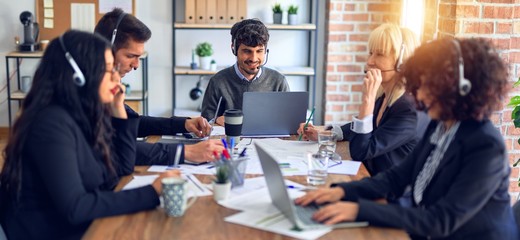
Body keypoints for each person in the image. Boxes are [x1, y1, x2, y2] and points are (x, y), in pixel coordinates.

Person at [295, 38, 518, 239]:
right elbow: (397, 177)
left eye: (427, 86)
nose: (419, 95)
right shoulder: (440, 125)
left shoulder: (486, 146)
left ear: (460, 87)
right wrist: (343, 191)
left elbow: (440, 220)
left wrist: (359, 210)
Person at [0, 30, 179, 239]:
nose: (116, 77)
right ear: (79, 76)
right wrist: (153, 191)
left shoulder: (83, 113)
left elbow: (121, 167)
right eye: (108, 70)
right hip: (53, 232)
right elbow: (76, 207)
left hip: (83, 226)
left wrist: (118, 110)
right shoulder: (50, 123)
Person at [94, 8, 224, 164]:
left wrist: (184, 124)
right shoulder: (89, 92)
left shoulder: (109, 85)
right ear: (106, 50)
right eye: (130, 56)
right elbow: (115, 149)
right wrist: (184, 152)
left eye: (139, 57)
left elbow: (135, 123)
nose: (136, 65)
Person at [298, 23, 429, 176]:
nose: (370, 61)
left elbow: (361, 151)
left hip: (388, 192)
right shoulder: (387, 97)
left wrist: (367, 99)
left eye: (379, 54)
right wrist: (326, 132)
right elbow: (367, 127)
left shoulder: (409, 109)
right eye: (370, 53)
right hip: (370, 177)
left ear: (401, 62)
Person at [201, 18, 290, 126]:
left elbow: (287, 122)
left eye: (259, 51)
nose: (254, 58)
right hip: (230, 141)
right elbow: (204, 122)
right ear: (233, 48)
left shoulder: (278, 81)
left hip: (268, 141)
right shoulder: (217, 81)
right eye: (247, 51)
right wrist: (215, 120)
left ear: (266, 51)